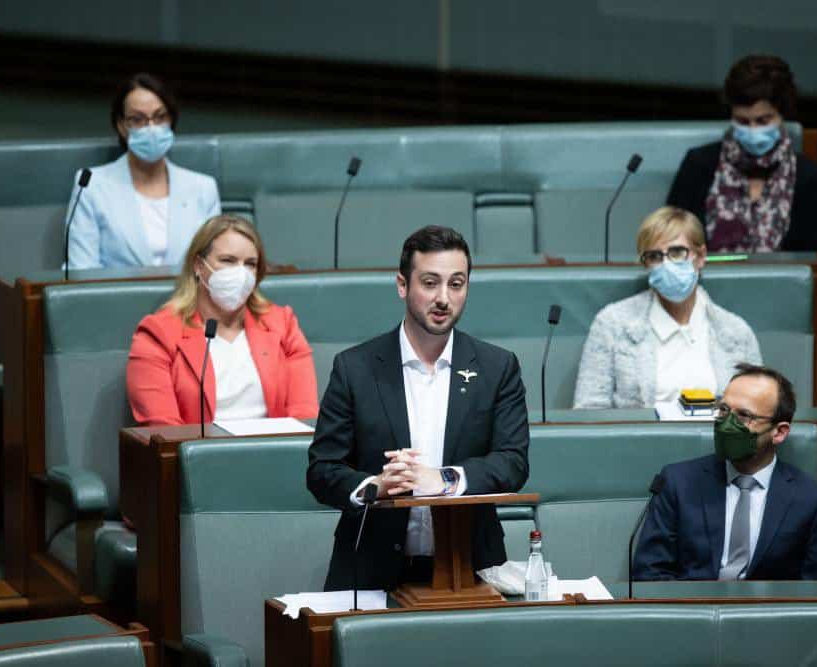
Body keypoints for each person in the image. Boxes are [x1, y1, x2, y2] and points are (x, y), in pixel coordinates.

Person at [307, 225, 530, 591]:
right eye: (430, 283)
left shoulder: (497, 367)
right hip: (369, 571)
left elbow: (512, 462)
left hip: (468, 567)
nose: (443, 298)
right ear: (402, 285)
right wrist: (374, 486)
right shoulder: (355, 368)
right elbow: (322, 470)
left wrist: (443, 480)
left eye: (456, 284)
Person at [633, 364, 817, 581]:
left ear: (779, 432)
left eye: (743, 416)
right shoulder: (678, 482)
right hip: (691, 610)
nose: (726, 425)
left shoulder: (811, 500)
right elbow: (649, 573)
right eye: (723, 410)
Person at [126, 214, 318, 426]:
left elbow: (304, 417)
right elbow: (162, 428)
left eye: (250, 264)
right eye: (228, 260)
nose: (240, 273)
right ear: (198, 265)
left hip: (274, 455)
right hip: (197, 456)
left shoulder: (283, 324)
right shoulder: (158, 333)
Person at [573, 206, 761, 409]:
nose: (666, 264)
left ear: (700, 256)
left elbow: (757, 411)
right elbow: (589, 410)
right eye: (654, 256)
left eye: (677, 252)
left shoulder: (736, 332)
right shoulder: (612, 324)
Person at [666, 55, 817, 253]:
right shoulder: (699, 164)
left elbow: (812, 257)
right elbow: (670, 239)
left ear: (782, 115)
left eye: (763, 121)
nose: (752, 130)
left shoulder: (808, 177)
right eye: (742, 121)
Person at [66, 72, 220, 269]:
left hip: (186, 299)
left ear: (171, 120)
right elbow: (81, 272)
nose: (151, 127)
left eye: (160, 117)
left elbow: (212, 268)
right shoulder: (92, 186)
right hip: (116, 298)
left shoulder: (202, 187)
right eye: (137, 119)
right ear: (121, 126)